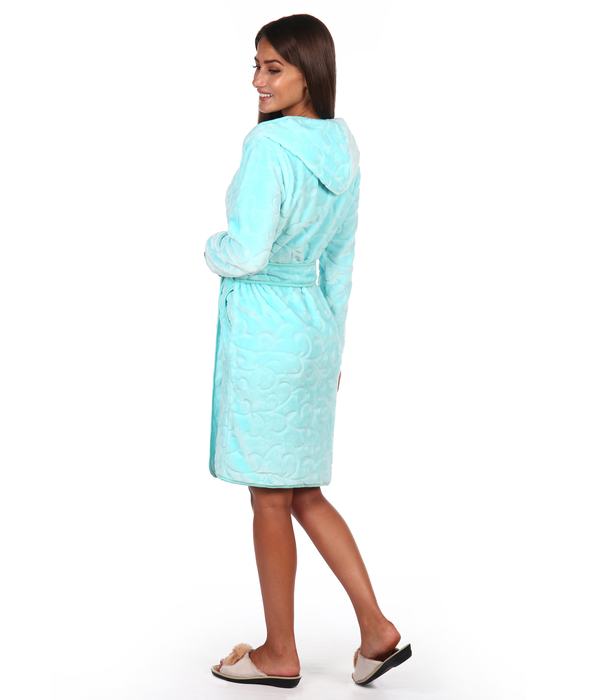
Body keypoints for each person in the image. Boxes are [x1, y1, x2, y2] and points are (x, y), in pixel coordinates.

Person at [203, 14, 411, 688]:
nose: (257, 81)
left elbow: (247, 250)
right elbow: (340, 262)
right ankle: (376, 630)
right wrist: (334, 346)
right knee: (303, 492)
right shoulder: (342, 148)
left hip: (267, 328)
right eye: (256, 66)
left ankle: (279, 652)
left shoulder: (269, 147)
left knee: (270, 496)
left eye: (273, 68)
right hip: (315, 329)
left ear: (308, 73)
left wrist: (211, 249)